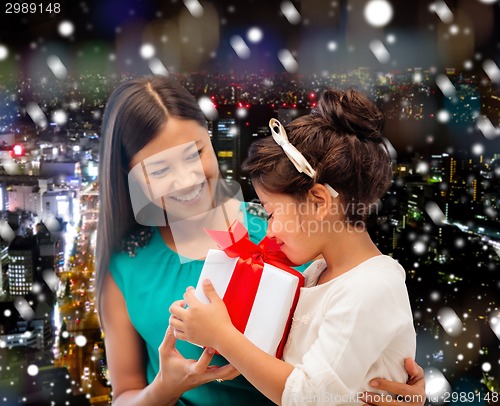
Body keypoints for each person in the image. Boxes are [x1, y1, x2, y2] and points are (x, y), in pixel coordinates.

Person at [95, 76, 426, 405]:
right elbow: (125, 394)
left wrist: (396, 382)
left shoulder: (295, 237)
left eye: (194, 154)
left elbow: (350, 344)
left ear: (209, 138)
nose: (186, 180)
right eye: (159, 171)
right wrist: (166, 387)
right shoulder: (127, 264)